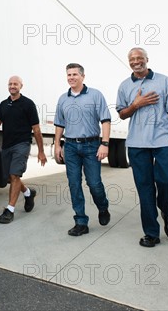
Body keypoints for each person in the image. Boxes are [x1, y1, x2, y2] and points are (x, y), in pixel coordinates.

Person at [116, 47, 168, 248]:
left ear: (147, 59)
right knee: (145, 188)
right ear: (129, 62)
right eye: (132, 59)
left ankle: (166, 210)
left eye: (140, 57)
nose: (136, 61)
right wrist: (136, 104)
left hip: (163, 140)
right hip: (137, 144)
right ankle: (151, 233)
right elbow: (122, 114)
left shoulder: (163, 81)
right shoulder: (124, 86)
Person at [53, 63, 111, 237]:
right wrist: (57, 144)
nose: (71, 77)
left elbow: (106, 121)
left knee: (94, 183)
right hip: (70, 146)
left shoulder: (95, 95)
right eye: (68, 75)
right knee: (74, 184)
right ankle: (80, 221)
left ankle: (103, 207)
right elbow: (59, 124)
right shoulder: (63, 98)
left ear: (82, 76)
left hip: (91, 145)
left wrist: (105, 144)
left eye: (74, 74)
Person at [0, 76, 47, 224]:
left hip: (22, 144)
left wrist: (41, 151)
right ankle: (28, 193)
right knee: (10, 178)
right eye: (10, 84)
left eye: (15, 84)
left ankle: (9, 210)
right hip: (7, 145)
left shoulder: (28, 104)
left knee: (15, 175)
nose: (12, 86)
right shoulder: (4, 104)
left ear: (21, 86)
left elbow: (36, 129)